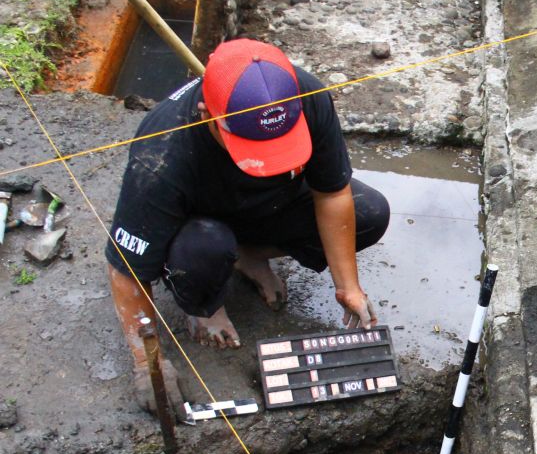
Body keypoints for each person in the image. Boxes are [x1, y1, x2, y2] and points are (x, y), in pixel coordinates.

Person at [105, 38, 389, 412]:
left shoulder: (306, 96)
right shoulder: (161, 153)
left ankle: (248, 255)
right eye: (254, 146)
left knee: (369, 212)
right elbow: (125, 270)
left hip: (268, 205)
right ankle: (203, 305)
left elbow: (332, 193)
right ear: (210, 117)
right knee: (204, 250)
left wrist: (348, 287)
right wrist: (148, 362)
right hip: (199, 229)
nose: (267, 159)